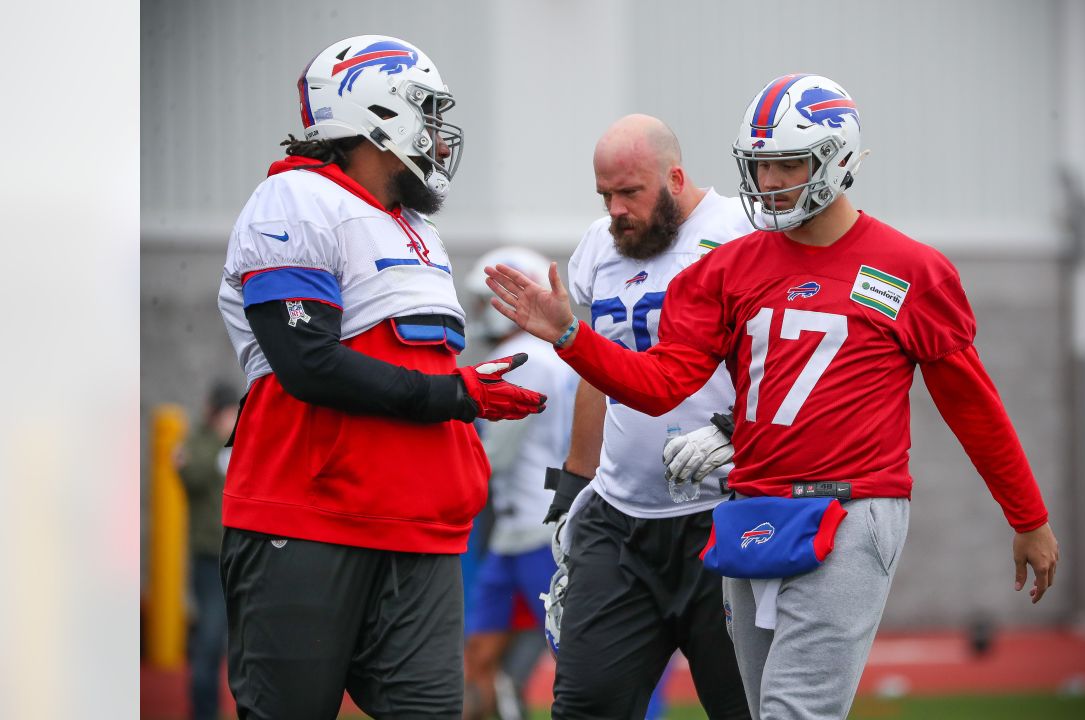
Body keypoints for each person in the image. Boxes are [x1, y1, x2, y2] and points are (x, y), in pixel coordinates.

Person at [485, 75, 1060, 720]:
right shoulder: (727, 268)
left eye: (789, 164)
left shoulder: (909, 269)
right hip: (751, 507)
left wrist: (1028, 516)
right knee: (759, 711)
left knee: (793, 711)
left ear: (837, 159)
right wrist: (570, 336)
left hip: (850, 508)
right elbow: (662, 385)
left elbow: (971, 404)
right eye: (761, 167)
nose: (772, 182)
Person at [216, 35, 546, 719]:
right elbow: (307, 363)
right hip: (311, 520)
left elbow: (404, 365)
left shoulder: (415, 227)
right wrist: (456, 393)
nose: (437, 133)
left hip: (421, 531)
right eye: (425, 111)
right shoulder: (295, 200)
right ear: (376, 111)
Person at [539, 114, 754, 719]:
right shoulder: (598, 249)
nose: (616, 210)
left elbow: (781, 356)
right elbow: (595, 373)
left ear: (676, 178)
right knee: (584, 707)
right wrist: (572, 489)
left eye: (629, 192)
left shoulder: (744, 229)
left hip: (724, 513)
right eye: (605, 195)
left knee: (745, 707)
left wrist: (739, 429)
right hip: (621, 518)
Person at [460, 248, 580, 720]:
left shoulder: (519, 357)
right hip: (520, 528)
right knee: (479, 657)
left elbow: (492, 453)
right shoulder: (549, 355)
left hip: (536, 527)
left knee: (572, 654)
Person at [175, 381, 239, 720]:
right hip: (209, 558)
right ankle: (204, 712)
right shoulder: (198, 442)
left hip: (239, 556)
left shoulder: (242, 437)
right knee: (210, 642)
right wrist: (217, 440)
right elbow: (191, 475)